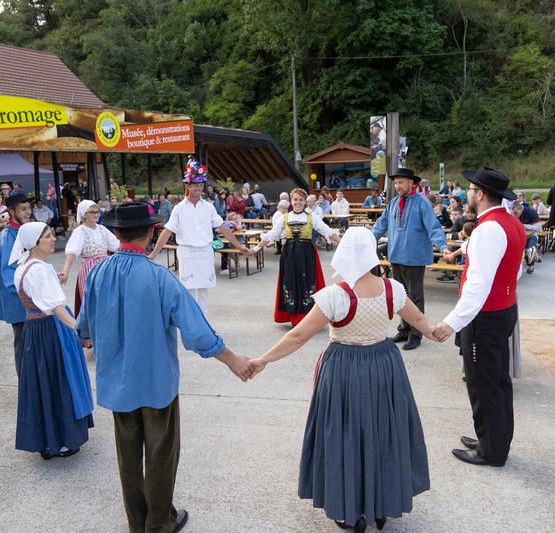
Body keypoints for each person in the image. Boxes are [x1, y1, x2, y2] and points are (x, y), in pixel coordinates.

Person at [77, 202, 252, 533]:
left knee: (128, 457)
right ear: (150, 232)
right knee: (161, 455)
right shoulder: (159, 278)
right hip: (156, 384)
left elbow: (84, 326)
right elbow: (197, 332)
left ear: (116, 232)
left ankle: (137, 522)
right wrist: (233, 361)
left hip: (117, 384)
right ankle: (159, 524)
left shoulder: (98, 272)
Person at [250, 228, 431, 532]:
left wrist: (263, 359)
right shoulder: (393, 289)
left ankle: (350, 510)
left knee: (345, 434)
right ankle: (382, 504)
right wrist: (436, 331)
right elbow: (419, 320)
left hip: (344, 367)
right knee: (383, 430)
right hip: (385, 364)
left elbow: (297, 336)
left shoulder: (336, 295)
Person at [431, 167, 525, 468]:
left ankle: (491, 450)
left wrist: (450, 323)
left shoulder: (488, 229)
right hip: (504, 309)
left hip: (486, 316)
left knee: (483, 385)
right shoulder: (511, 222)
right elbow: (515, 271)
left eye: (471, 189)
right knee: (498, 381)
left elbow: (477, 285)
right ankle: (495, 439)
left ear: (480, 194)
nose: (468, 193)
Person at [10, 222, 94, 459]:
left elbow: (36, 296)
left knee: (43, 382)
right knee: (61, 381)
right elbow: (56, 308)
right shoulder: (41, 270)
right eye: (48, 236)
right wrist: (79, 330)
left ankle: (46, 439)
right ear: (34, 243)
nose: (53, 239)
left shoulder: (23, 267)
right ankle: (63, 440)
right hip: (51, 329)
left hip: (34, 329)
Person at [149, 157, 251, 313]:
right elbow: (167, 231)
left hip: (205, 251)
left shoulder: (209, 207)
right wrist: (153, 254)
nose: (198, 187)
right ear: (188, 186)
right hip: (187, 252)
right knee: (187, 290)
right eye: (195, 185)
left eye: (200, 184)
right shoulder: (179, 208)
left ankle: (203, 321)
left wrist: (239, 246)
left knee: (203, 290)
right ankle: (189, 321)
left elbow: (223, 227)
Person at [373, 168, 448, 350]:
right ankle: (404, 330)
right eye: (395, 183)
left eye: (400, 182)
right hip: (396, 256)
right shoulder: (393, 203)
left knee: (415, 297)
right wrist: (365, 241)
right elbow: (380, 225)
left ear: (411, 183)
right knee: (401, 297)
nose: (397, 186)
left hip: (415, 258)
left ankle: (416, 334)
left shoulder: (422, 203)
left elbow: (433, 227)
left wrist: (443, 247)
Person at [255, 188, 341, 326]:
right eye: (295, 199)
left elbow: (327, 231)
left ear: (305, 201)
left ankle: (307, 317)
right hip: (289, 254)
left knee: (307, 282)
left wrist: (342, 243)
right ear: (291, 201)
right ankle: (294, 317)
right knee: (290, 282)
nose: (298, 202)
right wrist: (255, 248)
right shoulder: (285, 217)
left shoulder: (311, 216)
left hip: (307, 254)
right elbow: (271, 235)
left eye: (301, 200)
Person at [0, 193, 33, 376]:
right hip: (19, 301)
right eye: (23, 209)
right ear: (11, 212)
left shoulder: (23, 232)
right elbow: (10, 277)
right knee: (24, 347)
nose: (28, 212)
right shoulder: (7, 237)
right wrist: (30, 295)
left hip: (29, 298)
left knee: (32, 346)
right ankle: (25, 385)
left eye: (29, 208)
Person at [60, 200, 120, 316]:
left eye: (97, 212)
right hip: (89, 270)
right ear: (84, 214)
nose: (96, 215)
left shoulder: (102, 229)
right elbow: (72, 253)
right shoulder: (80, 231)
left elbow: (116, 245)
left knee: (108, 300)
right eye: (92, 212)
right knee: (92, 302)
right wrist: (65, 272)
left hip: (105, 268)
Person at [512, 201, 542, 274]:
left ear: (520, 209)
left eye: (515, 213)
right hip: (518, 236)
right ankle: (534, 256)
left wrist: (524, 226)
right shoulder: (513, 213)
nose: (514, 215)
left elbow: (539, 228)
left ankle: (530, 266)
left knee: (529, 249)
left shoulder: (531, 212)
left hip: (531, 235)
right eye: (513, 213)